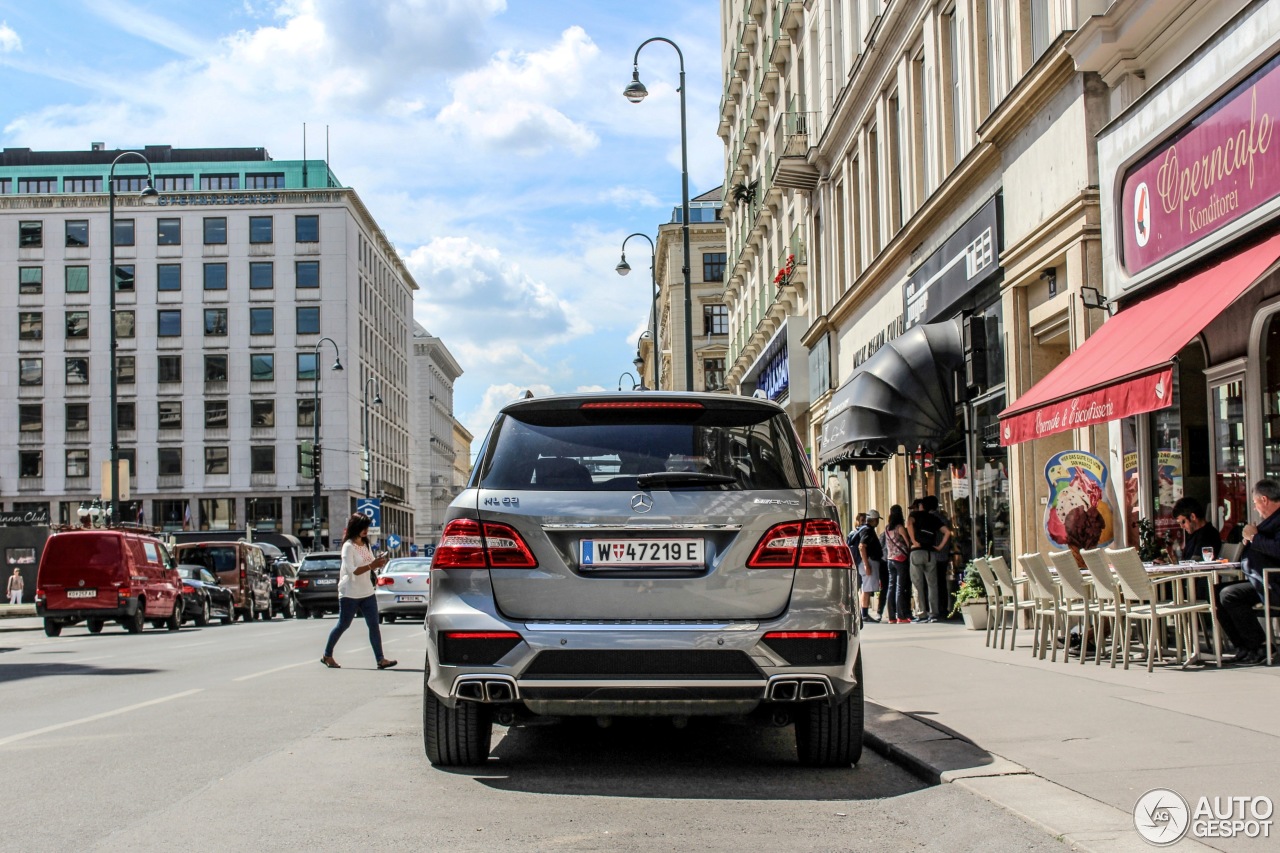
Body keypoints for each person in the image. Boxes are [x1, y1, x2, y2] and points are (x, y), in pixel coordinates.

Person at [1214, 479, 1280, 665]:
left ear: (1264, 500)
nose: (1255, 507)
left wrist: (1254, 537)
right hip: (1263, 581)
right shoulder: (1270, 521)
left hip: (1273, 583)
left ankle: (1261, 646)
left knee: (1230, 595)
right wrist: (1249, 540)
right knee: (1217, 592)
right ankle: (1243, 646)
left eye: (1255, 502)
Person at [321, 513, 397, 670]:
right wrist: (372, 565)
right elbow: (352, 570)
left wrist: (379, 562)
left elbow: (369, 564)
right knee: (343, 624)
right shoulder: (348, 546)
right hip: (350, 592)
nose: (366, 530)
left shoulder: (365, 544)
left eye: (367, 527)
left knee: (374, 625)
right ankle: (327, 654)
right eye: (363, 527)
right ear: (355, 527)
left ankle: (380, 659)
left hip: (367, 591)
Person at [908, 498, 950, 622]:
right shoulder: (934, 518)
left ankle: (921, 613)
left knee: (917, 584)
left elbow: (909, 524)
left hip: (916, 552)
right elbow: (947, 532)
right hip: (931, 553)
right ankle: (934, 613)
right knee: (932, 585)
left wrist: (914, 541)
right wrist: (940, 546)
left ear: (921, 505)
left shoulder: (914, 515)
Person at [881, 505, 912, 623]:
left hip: (890, 559)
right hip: (901, 559)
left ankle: (891, 617)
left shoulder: (887, 528)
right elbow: (908, 543)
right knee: (900, 587)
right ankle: (901, 615)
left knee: (891, 587)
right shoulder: (900, 528)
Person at [855, 510, 882, 623]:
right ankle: (864, 615)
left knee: (866, 588)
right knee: (866, 589)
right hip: (868, 562)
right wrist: (867, 565)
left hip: (868, 562)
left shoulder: (865, 529)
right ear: (874, 520)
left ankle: (865, 614)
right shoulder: (868, 530)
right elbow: (862, 546)